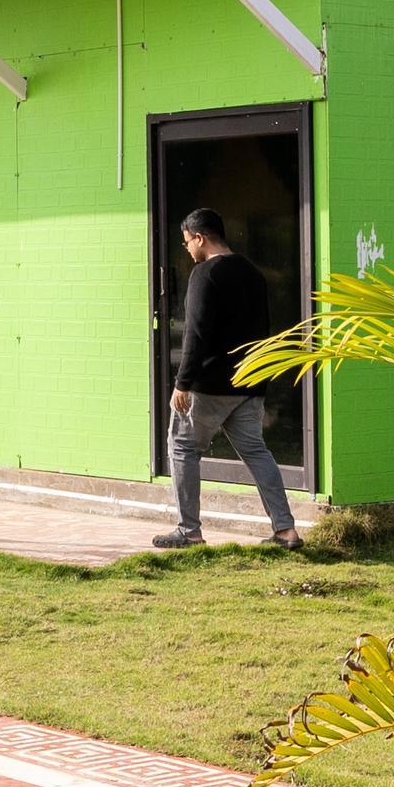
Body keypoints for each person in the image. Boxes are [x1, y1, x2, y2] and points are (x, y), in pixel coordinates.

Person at [161, 205, 297, 548]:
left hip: (209, 385)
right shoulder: (253, 272)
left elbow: (196, 333)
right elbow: (263, 329)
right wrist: (259, 379)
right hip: (249, 383)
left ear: (200, 238)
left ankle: (189, 532)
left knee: (182, 447)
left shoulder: (205, 274)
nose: (187, 249)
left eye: (187, 242)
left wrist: (182, 383)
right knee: (256, 451)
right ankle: (286, 530)